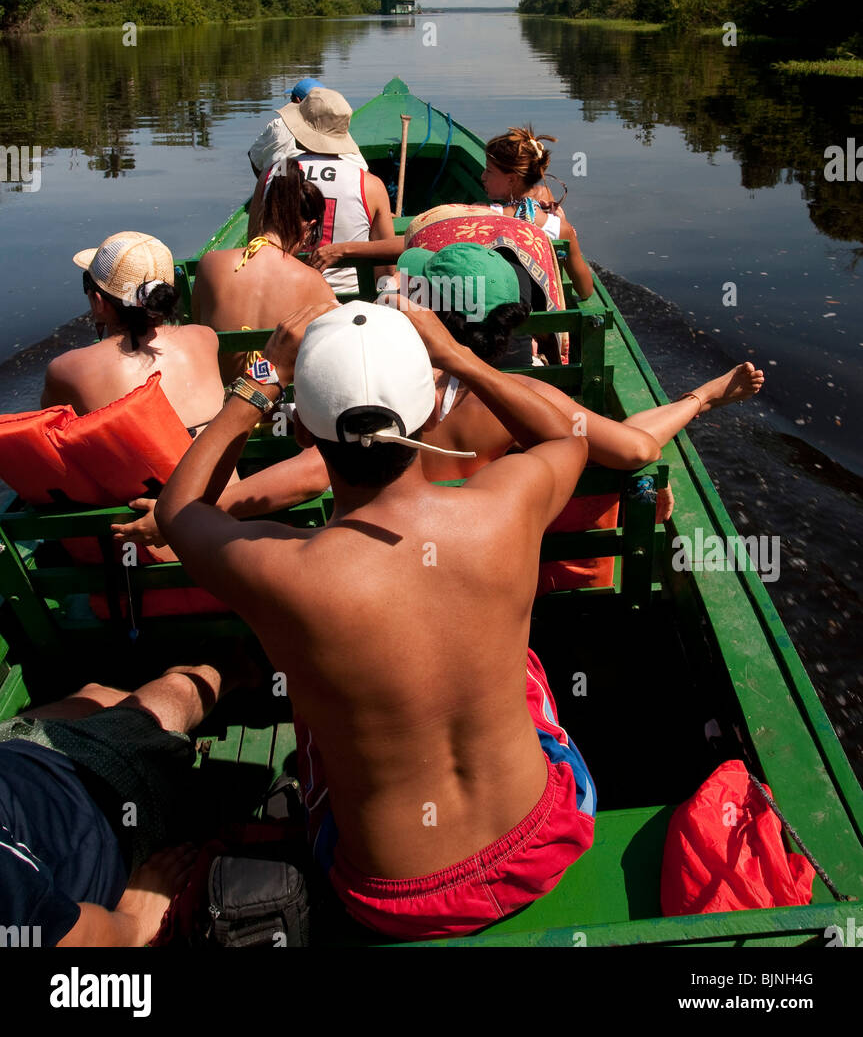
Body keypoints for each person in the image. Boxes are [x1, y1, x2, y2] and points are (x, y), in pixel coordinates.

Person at [155, 299, 596, 940]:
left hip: (392, 896)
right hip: (543, 838)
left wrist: (259, 380)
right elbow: (564, 436)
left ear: (304, 434)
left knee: (314, 699)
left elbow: (180, 509)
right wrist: (458, 357)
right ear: (425, 413)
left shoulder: (282, 572)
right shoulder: (507, 508)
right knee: (519, 670)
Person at [126, 245, 762, 539]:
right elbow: (632, 451)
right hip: (491, 567)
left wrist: (173, 515)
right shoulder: (528, 412)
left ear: (427, 316)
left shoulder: (384, 395)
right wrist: (697, 400)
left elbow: (294, 479)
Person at [0, 656, 253, 946]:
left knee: (97, 696)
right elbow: (67, 937)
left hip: (23, 764)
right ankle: (237, 663)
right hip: (90, 787)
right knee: (174, 693)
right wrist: (134, 922)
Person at [42, 232, 224, 438]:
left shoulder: (67, 370)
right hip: (221, 470)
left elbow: (49, 435)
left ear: (99, 301)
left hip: (149, 471)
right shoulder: (206, 338)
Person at [192, 158, 336, 383]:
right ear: (308, 227)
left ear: (263, 210)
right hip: (279, 409)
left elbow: (198, 333)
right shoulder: (315, 283)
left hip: (222, 406)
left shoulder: (209, 264)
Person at [248, 86, 395, 296]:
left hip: (284, 295)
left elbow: (254, 242)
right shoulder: (369, 184)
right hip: (350, 299)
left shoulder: (273, 173)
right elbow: (386, 270)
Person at [481, 126, 594, 300]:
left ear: (511, 179)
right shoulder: (562, 230)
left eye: (489, 170)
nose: (483, 176)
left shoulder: (482, 215)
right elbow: (586, 291)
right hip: (542, 314)